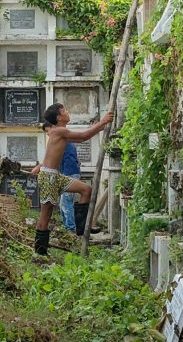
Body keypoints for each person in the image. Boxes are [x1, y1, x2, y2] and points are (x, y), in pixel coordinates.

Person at [30, 103, 113, 255]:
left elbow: (83, 135)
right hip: (49, 177)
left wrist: (100, 125)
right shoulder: (59, 131)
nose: (68, 112)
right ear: (58, 117)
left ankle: (82, 229)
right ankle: (40, 252)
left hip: (56, 176)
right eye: (64, 111)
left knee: (86, 190)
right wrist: (102, 122)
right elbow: (83, 137)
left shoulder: (59, 131)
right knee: (46, 215)